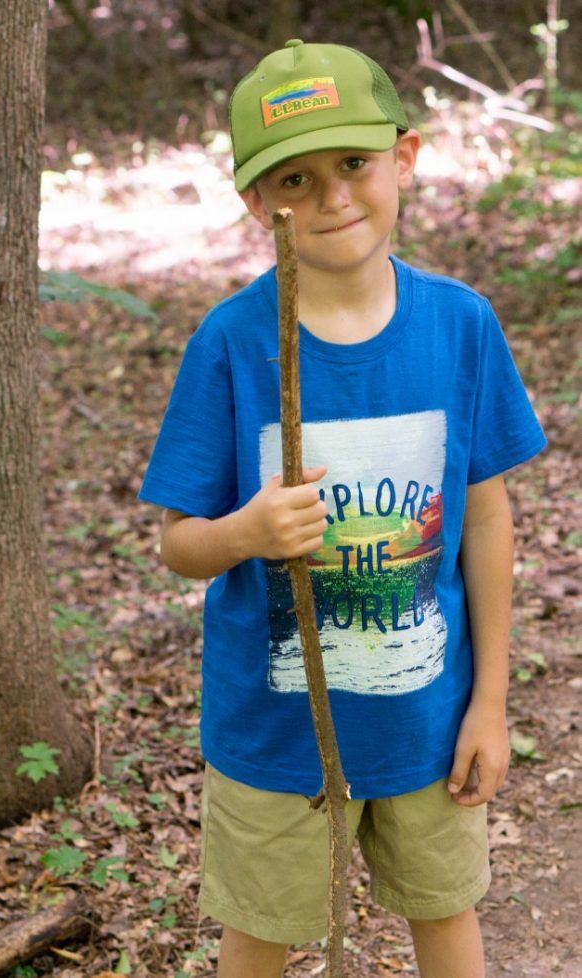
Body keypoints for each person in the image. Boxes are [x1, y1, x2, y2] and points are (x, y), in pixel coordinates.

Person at [138, 39, 547, 978]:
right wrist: (246, 531)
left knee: (447, 915)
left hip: (427, 727)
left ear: (404, 157)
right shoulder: (234, 343)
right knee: (260, 936)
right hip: (274, 740)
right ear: (256, 201)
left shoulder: (459, 326)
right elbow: (179, 543)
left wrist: (489, 703)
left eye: (353, 164)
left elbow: (485, 519)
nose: (332, 198)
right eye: (295, 177)